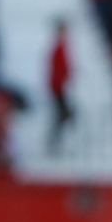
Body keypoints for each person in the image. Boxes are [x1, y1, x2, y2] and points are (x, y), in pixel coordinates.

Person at [47, 19, 73, 152]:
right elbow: (58, 68)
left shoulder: (61, 47)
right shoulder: (58, 47)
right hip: (57, 86)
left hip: (59, 86)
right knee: (64, 113)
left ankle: (55, 140)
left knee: (63, 114)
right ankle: (54, 141)